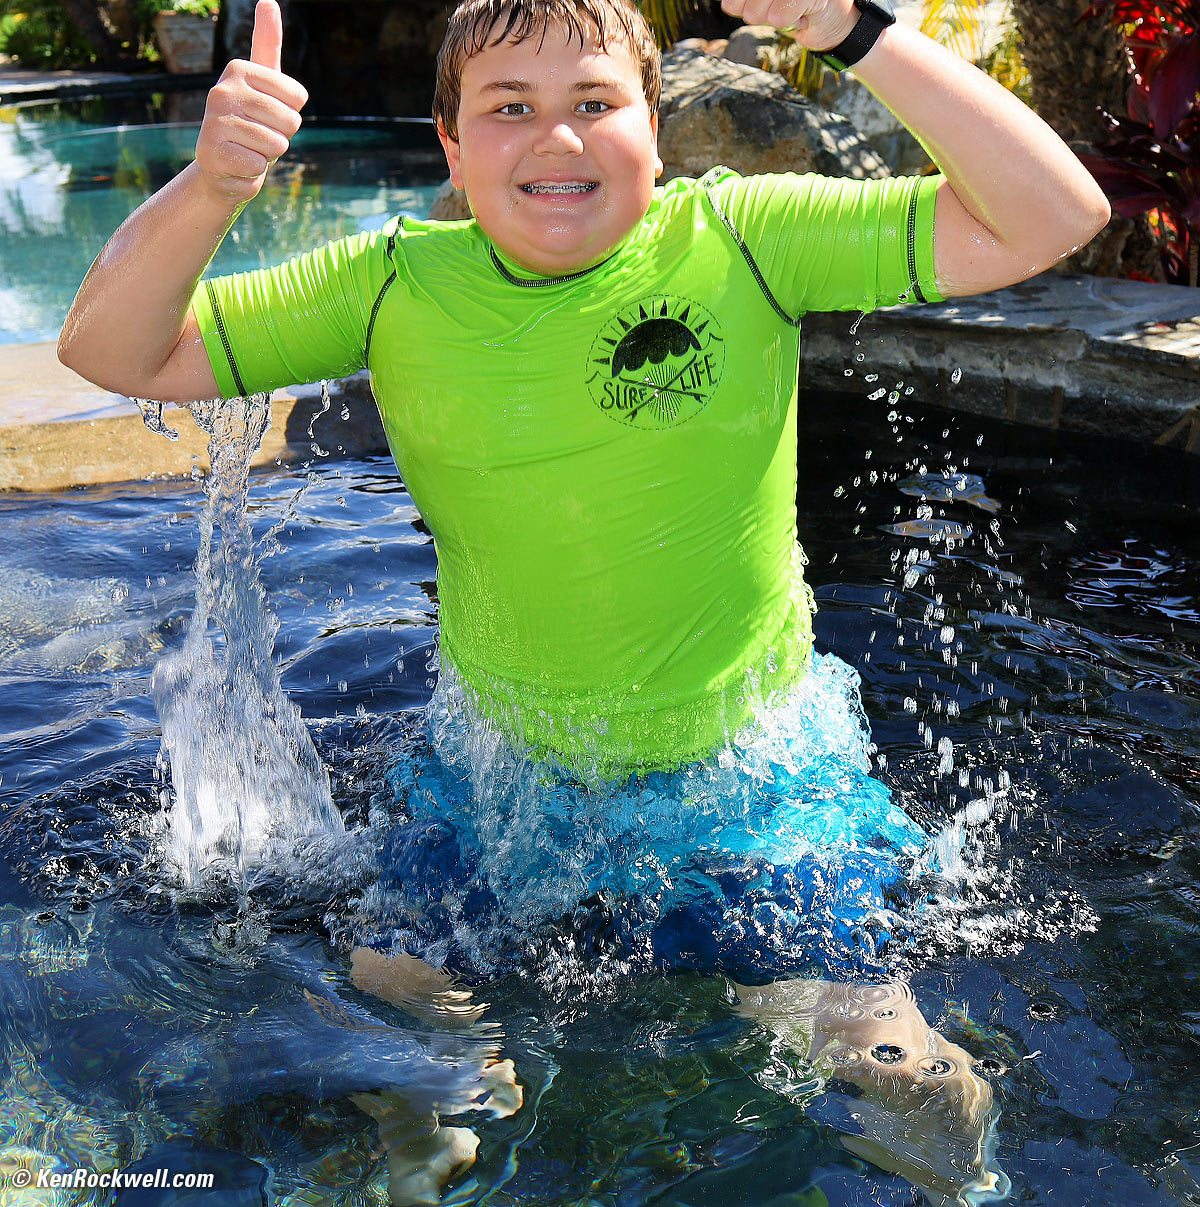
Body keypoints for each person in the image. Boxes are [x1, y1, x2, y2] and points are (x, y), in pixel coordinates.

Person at [59, 0, 1108, 1202]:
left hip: (755, 778)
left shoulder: (742, 241)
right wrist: (209, 189)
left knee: (888, 1065)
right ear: (453, 147)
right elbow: (112, 349)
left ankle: (968, 1184)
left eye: (595, 103)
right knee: (397, 1001)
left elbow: (1053, 217)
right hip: (500, 777)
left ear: (654, 129)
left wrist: (856, 31)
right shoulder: (391, 283)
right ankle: (440, 1141)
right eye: (510, 108)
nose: (556, 138)